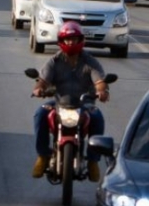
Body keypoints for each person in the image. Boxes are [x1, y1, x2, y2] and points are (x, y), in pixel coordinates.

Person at [31, 22, 110, 182]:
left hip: (84, 104)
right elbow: (43, 80)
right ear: (61, 41)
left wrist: (102, 91)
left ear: (80, 40)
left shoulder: (90, 61)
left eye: (74, 39)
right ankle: (43, 156)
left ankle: (93, 161)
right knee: (40, 113)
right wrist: (39, 88)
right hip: (59, 103)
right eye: (67, 39)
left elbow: (99, 80)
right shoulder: (54, 61)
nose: (71, 43)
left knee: (98, 117)